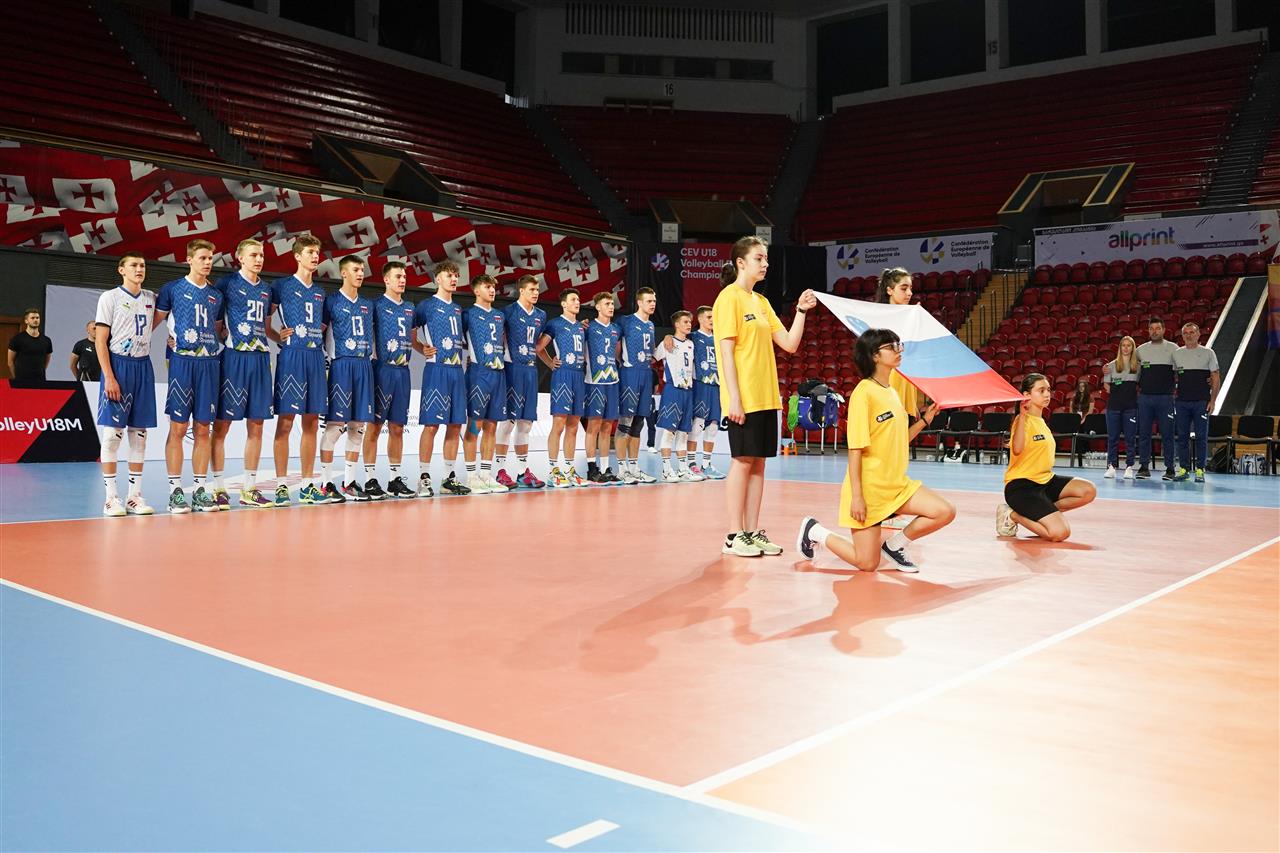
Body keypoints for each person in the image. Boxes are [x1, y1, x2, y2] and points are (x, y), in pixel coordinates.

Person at [796, 328, 953, 571]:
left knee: (944, 511)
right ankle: (815, 531)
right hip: (870, 490)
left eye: (898, 345)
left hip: (896, 485)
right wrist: (857, 497)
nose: (898, 351)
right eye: (891, 347)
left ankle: (895, 546)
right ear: (874, 356)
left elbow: (899, 439)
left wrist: (925, 421)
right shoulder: (863, 393)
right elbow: (855, 449)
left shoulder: (892, 392)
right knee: (866, 563)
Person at [713, 236, 816, 557]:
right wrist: (734, 398)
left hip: (767, 395)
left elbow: (789, 344)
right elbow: (726, 353)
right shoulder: (728, 299)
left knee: (758, 465)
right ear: (740, 263)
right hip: (744, 396)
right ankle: (733, 535)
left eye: (766, 259)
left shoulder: (761, 302)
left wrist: (801, 311)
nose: (765, 264)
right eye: (759, 258)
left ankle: (751, 532)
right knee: (742, 461)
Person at [154, 239, 223, 513]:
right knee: (179, 428)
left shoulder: (216, 295)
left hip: (209, 364)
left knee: (204, 429)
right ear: (189, 260)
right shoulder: (172, 289)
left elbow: (219, 330)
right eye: (203, 258)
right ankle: (175, 492)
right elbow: (152, 323)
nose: (207, 263)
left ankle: (200, 490)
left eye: (210, 258)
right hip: (182, 363)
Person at [211, 238, 275, 509]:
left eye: (261, 255)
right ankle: (218, 488)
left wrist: (280, 338)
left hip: (260, 358)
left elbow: (267, 325)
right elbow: (214, 321)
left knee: (257, 425)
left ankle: (249, 488)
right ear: (240, 257)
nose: (259, 259)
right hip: (234, 357)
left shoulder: (267, 289)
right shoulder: (225, 284)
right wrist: (222, 336)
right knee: (222, 425)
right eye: (253, 255)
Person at [996, 373, 1097, 541]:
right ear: (1027, 395)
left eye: (1048, 390)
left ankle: (1044, 513)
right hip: (1022, 487)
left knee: (1088, 490)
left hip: (1046, 481)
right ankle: (1012, 515)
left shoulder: (1041, 421)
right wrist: (1022, 415)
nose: (1047, 394)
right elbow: (1017, 449)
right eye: (1041, 390)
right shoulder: (1022, 420)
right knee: (1059, 533)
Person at [95, 251, 158, 516]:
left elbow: (163, 321)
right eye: (133, 265)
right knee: (112, 435)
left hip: (143, 366)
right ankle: (111, 498)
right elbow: (100, 341)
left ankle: (134, 496)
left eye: (142, 265)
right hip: (118, 365)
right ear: (121, 270)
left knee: (139, 435)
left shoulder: (151, 298)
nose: (139, 269)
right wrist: (109, 376)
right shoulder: (109, 298)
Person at [269, 235, 330, 506]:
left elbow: (324, 326)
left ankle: (307, 486)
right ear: (297, 256)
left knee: (312, 422)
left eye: (317, 252)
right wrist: (277, 336)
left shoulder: (320, 292)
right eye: (310, 252)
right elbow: (263, 321)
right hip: (292, 357)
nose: (315, 256)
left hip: (315, 358)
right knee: (285, 421)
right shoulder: (280, 286)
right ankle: (282, 486)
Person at [871, 267, 928, 529]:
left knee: (900, 448)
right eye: (903, 288)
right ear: (889, 290)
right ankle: (882, 508)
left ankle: (891, 507)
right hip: (887, 386)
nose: (909, 293)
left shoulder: (911, 317)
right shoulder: (879, 321)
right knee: (886, 450)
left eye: (911, 288)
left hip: (905, 385)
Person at [318, 256, 376, 502]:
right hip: (341, 365)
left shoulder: (367, 305)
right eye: (355, 269)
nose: (360, 273)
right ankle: (325, 483)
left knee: (358, 427)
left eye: (362, 270)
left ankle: (350, 483)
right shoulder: (331, 302)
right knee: (335, 427)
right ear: (343, 273)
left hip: (364, 366)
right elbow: (319, 333)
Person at [363, 261, 419, 499]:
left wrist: (425, 348)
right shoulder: (375, 306)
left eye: (404, 276)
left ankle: (395, 480)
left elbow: (414, 338)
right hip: (382, 370)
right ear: (386, 279)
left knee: (397, 427)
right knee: (375, 426)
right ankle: (370, 479)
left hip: (403, 372)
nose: (402, 280)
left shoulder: (410, 307)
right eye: (398, 276)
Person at [414, 261, 470, 497]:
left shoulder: (458, 309)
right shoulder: (425, 306)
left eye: (456, 275)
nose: (454, 279)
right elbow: (410, 333)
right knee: (431, 425)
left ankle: (448, 478)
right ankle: (424, 477)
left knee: (455, 425)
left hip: (456, 371)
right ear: (438, 279)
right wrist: (421, 348)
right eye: (449, 275)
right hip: (436, 370)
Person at [493, 274, 546, 489]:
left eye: (537, 289)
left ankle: (523, 472)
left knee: (526, 423)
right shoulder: (508, 312)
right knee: (508, 422)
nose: (536, 293)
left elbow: (539, 344)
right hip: (511, 369)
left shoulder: (541, 315)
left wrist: (550, 363)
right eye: (531, 289)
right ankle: (500, 471)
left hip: (530, 371)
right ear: (521, 290)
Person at [461, 274, 508, 494]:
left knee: (492, 426)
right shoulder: (467, 314)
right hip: (478, 374)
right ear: (476, 290)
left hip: (498, 374)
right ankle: (471, 477)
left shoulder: (500, 315)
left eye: (493, 287)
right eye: (487, 287)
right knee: (475, 426)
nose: (492, 290)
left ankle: (486, 475)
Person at [538, 288, 587, 488]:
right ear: (564, 304)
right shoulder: (555, 324)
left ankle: (569, 469)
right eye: (573, 299)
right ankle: (553, 471)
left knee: (574, 425)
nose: (577, 302)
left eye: (578, 299)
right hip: (563, 376)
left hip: (579, 376)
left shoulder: (582, 327)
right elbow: (539, 347)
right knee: (558, 424)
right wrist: (550, 363)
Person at [614, 286, 659, 485]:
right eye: (649, 301)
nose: (652, 304)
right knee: (625, 421)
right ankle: (621, 469)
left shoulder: (651, 325)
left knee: (639, 423)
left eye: (654, 301)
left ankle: (634, 468)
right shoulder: (625, 321)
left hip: (646, 374)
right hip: (630, 373)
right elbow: (615, 346)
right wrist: (624, 364)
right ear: (639, 302)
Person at [1170, 322, 1219, 483]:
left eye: (1192, 332)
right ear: (1182, 336)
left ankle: (1200, 469)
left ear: (1198, 334)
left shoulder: (1208, 353)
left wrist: (1213, 400)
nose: (1189, 335)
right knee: (1182, 437)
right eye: (1186, 333)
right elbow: (1172, 377)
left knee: (1201, 437)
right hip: (1182, 403)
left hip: (1201, 402)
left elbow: (1215, 377)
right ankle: (1184, 469)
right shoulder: (1177, 354)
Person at [656, 310, 700, 483]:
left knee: (684, 432)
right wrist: (667, 336)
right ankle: (666, 470)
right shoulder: (667, 342)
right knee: (669, 432)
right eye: (685, 322)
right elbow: (653, 358)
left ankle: (682, 469)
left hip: (688, 391)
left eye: (690, 322)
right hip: (673, 390)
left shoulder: (691, 344)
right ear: (676, 324)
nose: (689, 324)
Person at [583, 291, 622, 485]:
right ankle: (591, 468)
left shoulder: (616, 329)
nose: (611, 306)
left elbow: (618, 354)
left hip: (612, 381)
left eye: (612, 303)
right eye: (607, 304)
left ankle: (606, 468)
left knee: (608, 427)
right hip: (595, 382)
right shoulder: (588, 327)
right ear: (597, 307)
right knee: (594, 426)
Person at [1135, 317, 1178, 480]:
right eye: (1151, 328)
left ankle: (1170, 469)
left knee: (1167, 434)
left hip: (1166, 398)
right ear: (1148, 331)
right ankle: (1144, 467)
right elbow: (1128, 367)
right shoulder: (1140, 350)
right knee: (1144, 434)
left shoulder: (1174, 348)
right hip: (1145, 398)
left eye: (1157, 328)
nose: (1154, 331)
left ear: (1164, 330)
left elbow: (1184, 370)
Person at [688, 305, 724, 480]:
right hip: (700, 384)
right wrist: (667, 337)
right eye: (709, 317)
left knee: (713, 426)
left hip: (717, 385)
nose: (712, 320)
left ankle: (707, 464)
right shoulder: (693, 337)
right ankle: (691, 463)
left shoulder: (720, 339)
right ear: (700, 319)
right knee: (697, 424)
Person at [1102, 335, 1140, 479]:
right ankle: (1111, 466)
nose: (1125, 348)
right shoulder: (1111, 366)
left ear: (1132, 348)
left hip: (1131, 407)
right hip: (1114, 407)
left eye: (1128, 345)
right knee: (1113, 438)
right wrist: (1118, 393)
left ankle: (1129, 467)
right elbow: (1106, 385)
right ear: (1120, 347)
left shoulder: (1138, 366)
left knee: (1130, 439)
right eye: (1123, 345)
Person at [8, 308, 52, 382]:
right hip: (22, 380)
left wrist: (41, 371)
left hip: (40, 380)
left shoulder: (46, 340)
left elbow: (46, 360)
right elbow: (10, 362)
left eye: (37, 318)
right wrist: (16, 378)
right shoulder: (17, 339)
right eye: (32, 318)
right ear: (26, 321)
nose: (35, 320)